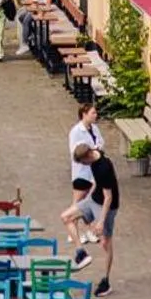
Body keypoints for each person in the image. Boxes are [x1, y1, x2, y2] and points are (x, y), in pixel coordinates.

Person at [59, 142, 120, 297]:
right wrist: (87, 199)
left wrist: (100, 221)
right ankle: (81, 252)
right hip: (93, 199)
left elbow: (108, 197)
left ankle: (106, 281)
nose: (84, 165)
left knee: (105, 242)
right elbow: (95, 182)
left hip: (107, 205)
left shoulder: (104, 168)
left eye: (83, 162)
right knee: (66, 217)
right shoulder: (95, 155)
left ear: (88, 156)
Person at [66, 102, 104, 243]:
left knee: (87, 202)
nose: (95, 115)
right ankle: (72, 231)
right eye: (92, 113)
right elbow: (74, 152)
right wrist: (89, 153)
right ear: (84, 114)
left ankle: (88, 230)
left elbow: (100, 141)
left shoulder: (94, 128)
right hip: (81, 172)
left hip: (93, 171)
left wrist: (96, 149)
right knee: (77, 203)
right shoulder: (76, 131)